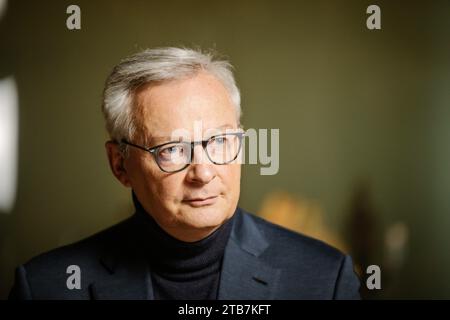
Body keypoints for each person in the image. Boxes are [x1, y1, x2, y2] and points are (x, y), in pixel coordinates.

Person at [9, 47, 361, 299]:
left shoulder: (323, 278)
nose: (203, 172)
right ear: (120, 164)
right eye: (172, 150)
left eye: (220, 141)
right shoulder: (46, 286)